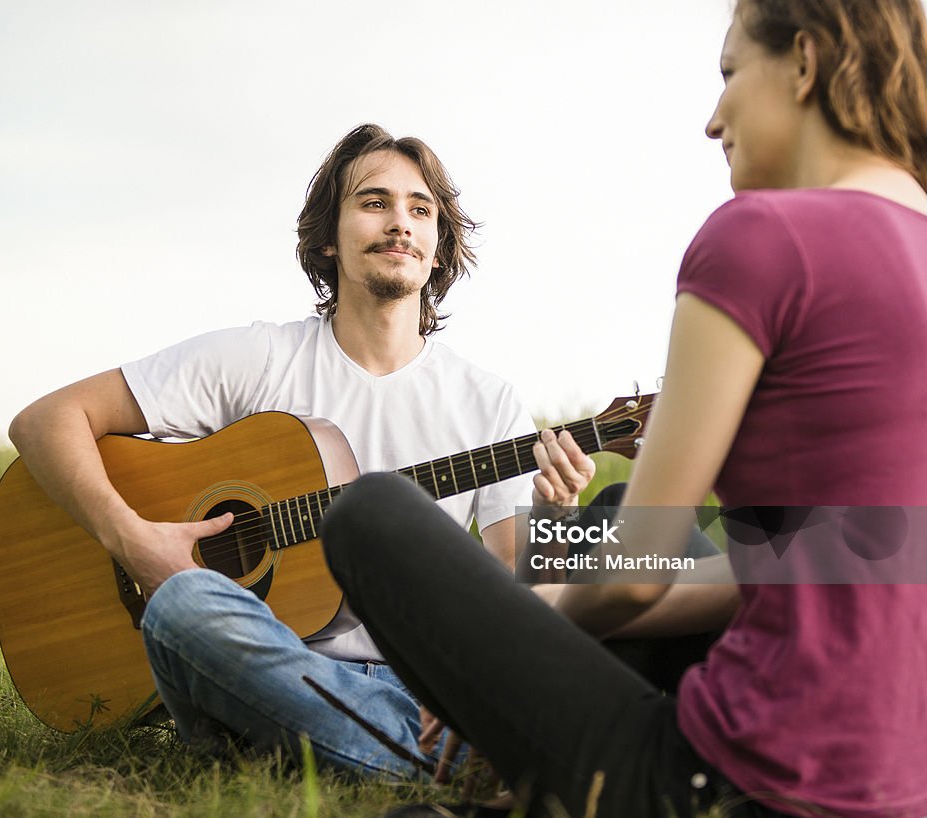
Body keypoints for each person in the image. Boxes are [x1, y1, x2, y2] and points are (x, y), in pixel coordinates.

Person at [320, 1, 927, 815]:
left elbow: (636, 577)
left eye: (729, 74)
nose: (714, 120)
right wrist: (532, 617)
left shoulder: (762, 237)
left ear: (807, 62)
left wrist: (497, 663)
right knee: (606, 520)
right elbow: (794, 562)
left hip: (737, 783)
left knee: (370, 511)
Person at [7, 124, 577, 778]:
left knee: (627, 576)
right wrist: (131, 539)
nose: (400, 224)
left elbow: (523, 593)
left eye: (421, 211)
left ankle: (298, 744)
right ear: (328, 237)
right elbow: (46, 421)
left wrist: (556, 517)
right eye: (374, 203)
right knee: (182, 607)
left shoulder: (488, 401)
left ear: (440, 249)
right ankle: (426, 758)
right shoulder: (257, 359)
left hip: (420, 690)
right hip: (272, 657)